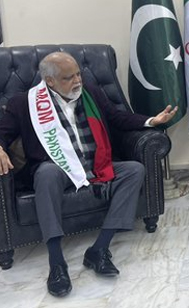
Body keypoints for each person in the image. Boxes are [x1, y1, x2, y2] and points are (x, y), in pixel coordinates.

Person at [0, 52, 178, 297]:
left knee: (134, 170)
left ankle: (99, 249)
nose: (77, 81)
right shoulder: (25, 103)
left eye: (77, 74)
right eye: (68, 77)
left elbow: (117, 117)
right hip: (57, 169)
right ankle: (56, 262)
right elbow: (3, 132)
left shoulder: (90, 92)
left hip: (95, 164)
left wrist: (150, 121)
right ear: (50, 81)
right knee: (47, 174)